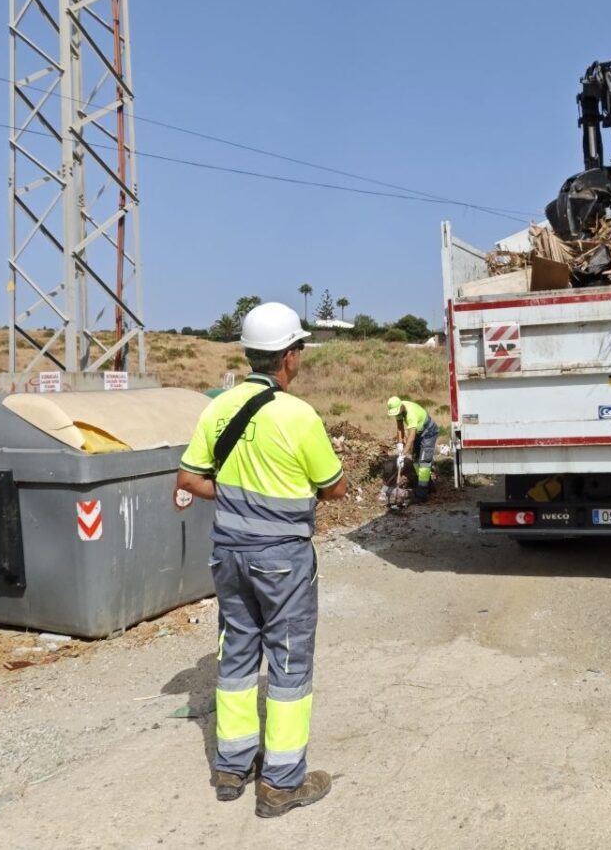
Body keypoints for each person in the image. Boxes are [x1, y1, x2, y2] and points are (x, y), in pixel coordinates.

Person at [175, 302, 346, 818]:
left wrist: (236, 500)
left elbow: (189, 478)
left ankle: (231, 767)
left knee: (236, 653)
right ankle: (281, 784)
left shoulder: (216, 408)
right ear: (289, 356)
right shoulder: (297, 415)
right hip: (282, 561)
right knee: (289, 664)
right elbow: (335, 488)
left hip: (228, 555)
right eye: (300, 349)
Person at [386, 396, 439, 502]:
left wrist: (403, 455)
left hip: (429, 432)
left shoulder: (411, 414)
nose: (397, 414)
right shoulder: (399, 410)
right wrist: (400, 444)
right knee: (415, 460)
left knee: (424, 463)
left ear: (401, 406)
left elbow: (411, 438)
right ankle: (429, 486)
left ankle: (421, 495)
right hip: (419, 432)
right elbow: (400, 428)